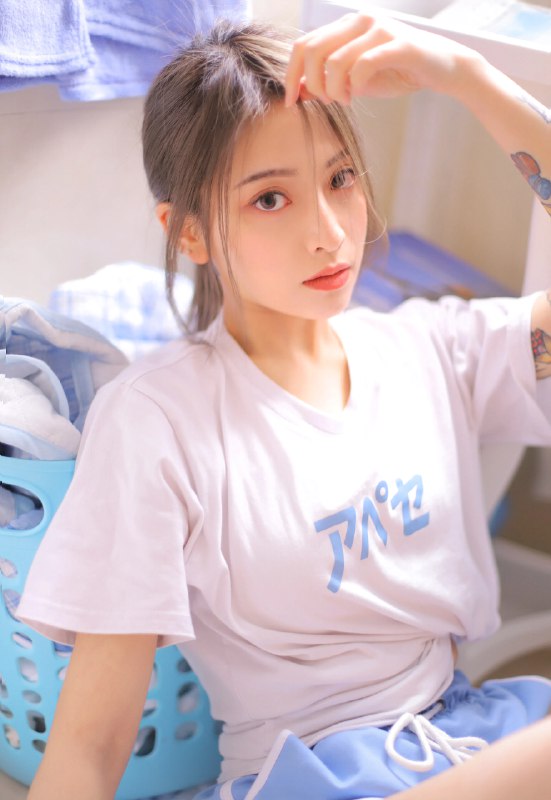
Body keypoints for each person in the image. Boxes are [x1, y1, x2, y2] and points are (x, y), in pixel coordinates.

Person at [18, 9, 551, 800]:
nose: (328, 233)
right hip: (314, 776)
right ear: (189, 232)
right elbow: (90, 749)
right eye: (270, 199)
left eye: (340, 179)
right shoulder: (159, 418)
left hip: (468, 739)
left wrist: (467, 78)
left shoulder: (433, 350)